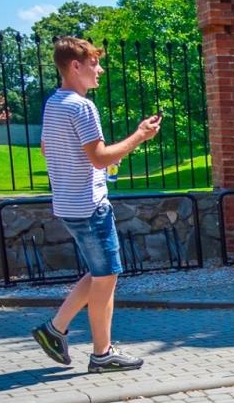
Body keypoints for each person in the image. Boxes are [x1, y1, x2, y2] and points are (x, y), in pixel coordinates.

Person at [30, 37, 161, 372]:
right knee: (106, 277)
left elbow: (47, 149)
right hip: (91, 207)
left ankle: (55, 329)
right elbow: (100, 158)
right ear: (75, 66)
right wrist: (139, 136)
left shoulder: (54, 103)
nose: (99, 70)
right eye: (93, 64)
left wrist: (73, 167)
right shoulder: (81, 106)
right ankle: (102, 354)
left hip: (68, 205)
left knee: (102, 272)